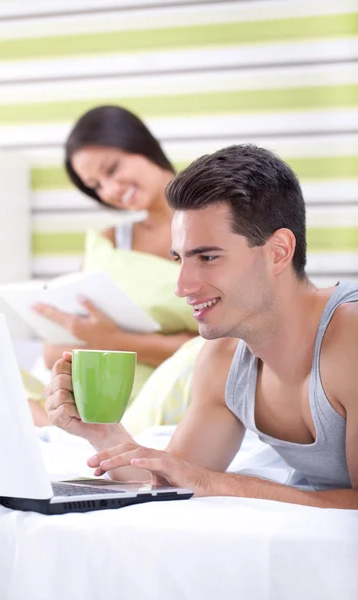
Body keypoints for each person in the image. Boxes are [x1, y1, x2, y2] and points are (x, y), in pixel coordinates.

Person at [45, 144, 358, 509]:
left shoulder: (349, 340)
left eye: (207, 257)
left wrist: (228, 485)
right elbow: (173, 479)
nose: (182, 286)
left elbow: (207, 481)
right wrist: (101, 432)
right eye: (180, 258)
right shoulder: (223, 359)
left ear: (278, 251)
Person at [29, 105, 200, 428]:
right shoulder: (109, 244)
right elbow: (61, 349)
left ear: (142, 144)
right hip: (95, 389)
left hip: (168, 394)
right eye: (95, 186)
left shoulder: (210, 225)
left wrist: (115, 341)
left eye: (112, 169)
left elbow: (219, 349)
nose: (109, 191)